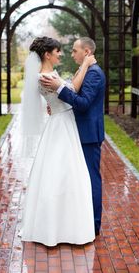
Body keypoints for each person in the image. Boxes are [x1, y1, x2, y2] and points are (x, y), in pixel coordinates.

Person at [19, 36, 97, 246]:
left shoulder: (48, 75)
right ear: (47, 54)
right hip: (61, 124)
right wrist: (86, 65)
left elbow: (64, 92)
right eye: (57, 52)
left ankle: (64, 224)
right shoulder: (45, 77)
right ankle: (56, 228)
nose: (60, 54)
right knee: (63, 173)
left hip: (61, 120)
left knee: (65, 173)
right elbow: (71, 90)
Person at [40, 37, 106, 236]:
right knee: (79, 178)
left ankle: (94, 224)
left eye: (75, 50)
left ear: (86, 52)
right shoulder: (84, 70)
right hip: (77, 131)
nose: (71, 54)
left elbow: (84, 103)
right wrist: (59, 105)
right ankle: (79, 221)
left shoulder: (94, 73)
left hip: (88, 135)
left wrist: (59, 90)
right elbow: (75, 95)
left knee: (91, 178)